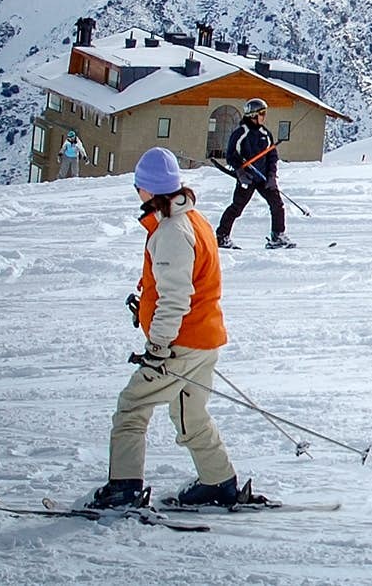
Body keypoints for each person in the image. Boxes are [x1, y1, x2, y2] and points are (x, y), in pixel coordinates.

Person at [92, 147, 245, 510]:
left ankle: (124, 489)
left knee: (132, 408)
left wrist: (157, 345)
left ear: (150, 190)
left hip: (181, 342)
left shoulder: (173, 231)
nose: (137, 193)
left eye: (138, 187)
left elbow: (176, 296)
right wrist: (145, 304)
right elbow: (182, 283)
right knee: (189, 413)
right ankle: (218, 480)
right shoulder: (194, 220)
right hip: (205, 338)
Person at [217, 98, 292, 249]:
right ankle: (221, 236)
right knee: (237, 207)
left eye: (264, 113)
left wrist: (271, 175)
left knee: (277, 205)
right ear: (252, 115)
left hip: (264, 178)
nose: (264, 116)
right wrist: (240, 172)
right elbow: (231, 156)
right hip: (248, 178)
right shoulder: (241, 133)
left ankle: (278, 235)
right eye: (262, 113)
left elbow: (272, 156)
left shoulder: (265, 133)